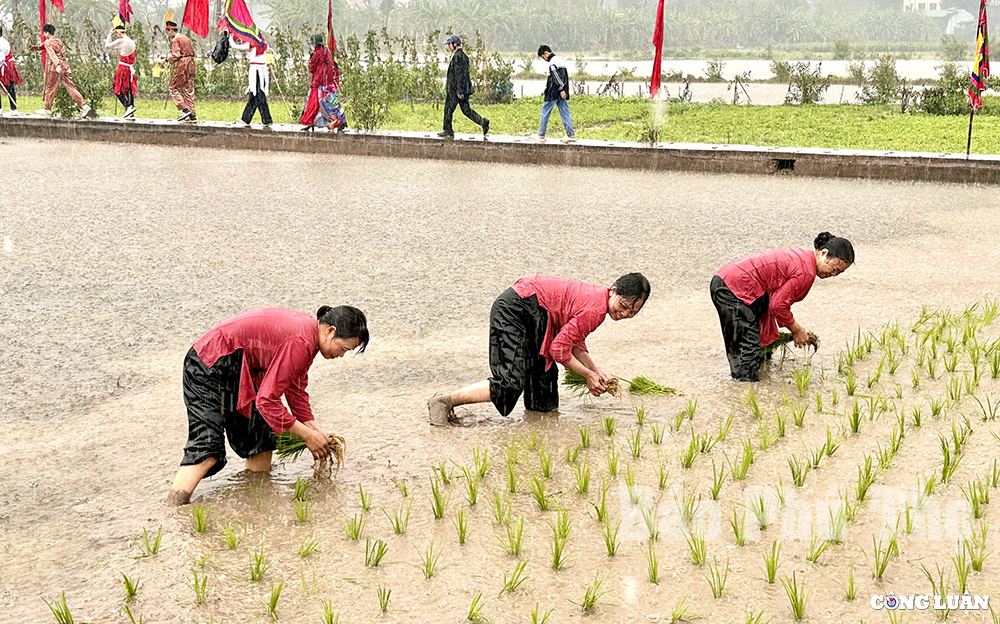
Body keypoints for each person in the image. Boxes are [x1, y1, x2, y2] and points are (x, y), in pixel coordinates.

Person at [167, 306, 370, 505]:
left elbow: (295, 388)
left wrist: (311, 426)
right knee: (207, 450)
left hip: (242, 369)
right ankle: (173, 510)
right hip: (210, 364)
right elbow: (267, 401)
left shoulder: (310, 338)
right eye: (343, 349)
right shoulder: (300, 340)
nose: (341, 355)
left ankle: (256, 504)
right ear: (330, 331)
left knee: (260, 443)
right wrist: (307, 436)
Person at [427, 273, 650, 425]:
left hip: (537, 315)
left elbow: (575, 341)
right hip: (518, 309)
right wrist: (588, 376)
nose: (624, 314)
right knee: (510, 383)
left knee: (544, 395)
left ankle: (537, 429)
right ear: (613, 290)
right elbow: (559, 350)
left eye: (632, 313)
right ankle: (445, 401)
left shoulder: (597, 305)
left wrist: (596, 370)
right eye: (623, 306)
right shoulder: (595, 309)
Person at [711, 232, 855, 382]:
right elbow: (778, 305)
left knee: (757, 347)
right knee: (748, 352)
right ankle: (744, 391)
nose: (834, 275)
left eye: (839, 272)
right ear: (824, 253)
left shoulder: (804, 257)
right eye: (834, 269)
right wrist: (796, 330)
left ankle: (754, 385)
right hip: (732, 288)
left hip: (731, 282)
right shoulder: (806, 272)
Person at [31, 24, 92, 118]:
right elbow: (51, 47)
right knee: (71, 87)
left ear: (47, 33)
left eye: (44, 33)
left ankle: (47, 109)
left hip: (56, 67)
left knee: (50, 88)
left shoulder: (48, 42)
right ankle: (84, 106)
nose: (43, 35)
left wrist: (57, 65)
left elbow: (52, 55)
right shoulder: (59, 41)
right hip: (65, 65)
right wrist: (39, 47)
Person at [438, 34, 489, 139]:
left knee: (448, 109)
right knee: (466, 110)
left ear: (455, 44)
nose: (449, 47)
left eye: (450, 45)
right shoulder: (463, 56)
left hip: (456, 90)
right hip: (461, 89)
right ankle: (483, 122)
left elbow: (460, 75)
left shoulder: (458, 57)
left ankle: (448, 130)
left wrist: (459, 91)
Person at [299, 34, 345, 132]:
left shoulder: (316, 54)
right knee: (332, 104)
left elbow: (312, 68)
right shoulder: (327, 51)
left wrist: (311, 59)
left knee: (313, 104)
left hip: (318, 83)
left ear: (315, 43)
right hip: (328, 82)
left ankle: (309, 122)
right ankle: (340, 121)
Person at [534, 45, 575, 143]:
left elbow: (556, 76)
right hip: (561, 91)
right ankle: (571, 135)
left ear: (546, 53)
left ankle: (541, 135)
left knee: (545, 111)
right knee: (565, 111)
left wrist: (560, 88)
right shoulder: (560, 60)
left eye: (543, 57)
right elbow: (564, 77)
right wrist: (564, 89)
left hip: (553, 91)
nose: (544, 59)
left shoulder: (552, 63)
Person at [231, 34, 271, 128]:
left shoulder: (251, 43)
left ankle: (266, 119)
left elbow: (236, 46)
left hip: (256, 71)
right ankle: (248, 118)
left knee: (258, 94)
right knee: (256, 94)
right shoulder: (263, 43)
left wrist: (230, 37)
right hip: (262, 70)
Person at [164, 13, 196, 122]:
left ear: (171, 31)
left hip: (183, 64)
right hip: (191, 63)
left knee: (173, 88)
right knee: (188, 88)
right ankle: (192, 113)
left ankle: (185, 109)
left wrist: (165, 60)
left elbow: (176, 55)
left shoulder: (175, 40)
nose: (168, 35)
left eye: (168, 32)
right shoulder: (185, 38)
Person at [106, 20, 137, 119]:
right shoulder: (132, 41)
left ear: (120, 32)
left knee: (116, 88)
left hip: (122, 68)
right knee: (129, 89)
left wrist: (109, 34)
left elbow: (107, 45)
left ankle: (128, 107)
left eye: (116, 34)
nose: (116, 35)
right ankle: (131, 110)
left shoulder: (121, 41)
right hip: (130, 68)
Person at [0, 26, 22, 116]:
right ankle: (13, 108)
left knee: (9, 87)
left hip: (6, 66)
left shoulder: (1, 43)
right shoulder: (4, 41)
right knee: (10, 87)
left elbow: (1, 58)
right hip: (7, 65)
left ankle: (11, 109)